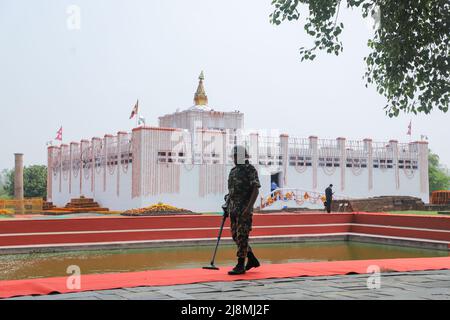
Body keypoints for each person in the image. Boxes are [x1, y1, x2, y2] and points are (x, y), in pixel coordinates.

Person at [226, 145, 261, 275]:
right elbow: (231, 192)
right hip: (234, 209)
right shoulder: (233, 171)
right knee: (236, 236)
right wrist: (227, 207)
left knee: (242, 236)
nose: (234, 158)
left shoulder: (249, 169)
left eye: (236, 156)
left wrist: (249, 207)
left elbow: (255, 189)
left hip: (244, 209)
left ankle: (240, 264)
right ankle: (251, 258)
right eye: (233, 156)